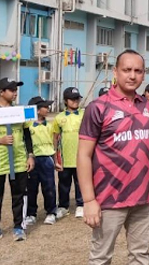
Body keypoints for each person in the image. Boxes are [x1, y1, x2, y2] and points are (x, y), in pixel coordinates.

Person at [77, 50, 149, 264]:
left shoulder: (146, 105)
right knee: (101, 258)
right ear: (115, 71)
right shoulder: (98, 107)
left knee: (140, 256)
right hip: (108, 199)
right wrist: (89, 200)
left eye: (138, 71)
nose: (132, 76)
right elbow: (83, 156)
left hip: (144, 198)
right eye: (127, 70)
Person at [0, 78, 34, 241]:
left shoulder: (21, 111)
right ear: (1, 92)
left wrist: (30, 155)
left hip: (19, 160)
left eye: (16, 89)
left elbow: (27, 135)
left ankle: (19, 227)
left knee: (19, 194)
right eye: (11, 89)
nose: (15, 92)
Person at [25, 96, 60, 228]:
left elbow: (53, 145)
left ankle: (51, 212)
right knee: (31, 188)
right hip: (32, 160)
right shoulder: (28, 125)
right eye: (45, 107)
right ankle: (31, 214)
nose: (48, 109)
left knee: (49, 187)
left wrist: (55, 161)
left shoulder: (49, 126)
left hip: (46, 159)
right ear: (38, 110)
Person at [53, 86, 85, 219]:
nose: (75, 101)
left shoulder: (84, 114)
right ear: (66, 101)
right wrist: (55, 157)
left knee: (80, 182)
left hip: (81, 156)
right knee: (63, 183)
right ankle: (63, 206)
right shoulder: (59, 118)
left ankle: (81, 205)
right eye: (72, 99)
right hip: (65, 157)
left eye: (77, 98)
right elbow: (55, 138)